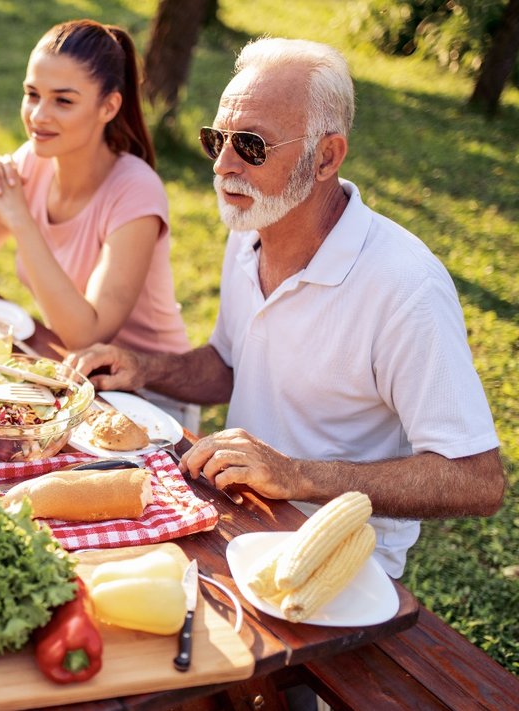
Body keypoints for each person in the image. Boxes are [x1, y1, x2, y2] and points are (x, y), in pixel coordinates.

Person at [66, 38, 505, 577]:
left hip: (332, 565)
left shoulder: (405, 286)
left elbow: (476, 479)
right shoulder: (252, 228)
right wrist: (144, 368)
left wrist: (297, 476)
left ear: (326, 156)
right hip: (232, 515)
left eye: (250, 145)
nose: (224, 166)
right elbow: (233, 364)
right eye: (215, 139)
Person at [0, 19, 196, 429]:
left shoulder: (137, 192)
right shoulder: (34, 161)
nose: (38, 115)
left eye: (63, 101)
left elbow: (87, 335)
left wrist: (20, 220)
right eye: (31, 94)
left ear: (108, 107)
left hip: (149, 399)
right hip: (77, 382)